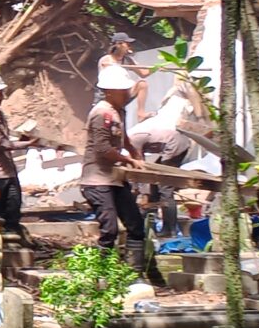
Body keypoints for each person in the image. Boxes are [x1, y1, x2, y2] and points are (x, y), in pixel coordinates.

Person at [80, 65, 147, 273]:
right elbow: (102, 149)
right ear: (109, 91)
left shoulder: (118, 111)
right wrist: (128, 160)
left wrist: (133, 151)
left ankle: (135, 272)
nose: (126, 94)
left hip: (114, 178)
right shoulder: (101, 113)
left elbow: (121, 136)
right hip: (97, 180)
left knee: (135, 224)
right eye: (122, 91)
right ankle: (101, 274)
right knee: (109, 229)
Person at [127, 78, 206, 237]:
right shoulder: (133, 136)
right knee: (155, 185)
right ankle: (157, 227)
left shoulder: (132, 139)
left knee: (165, 186)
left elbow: (140, 168)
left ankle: (170, 229)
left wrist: (139, 191)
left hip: (176, 144)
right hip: (175, 144)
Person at [0, 73, 37, 235]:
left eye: (0, 93)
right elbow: (1, 143)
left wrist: (22, 139)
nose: (0, 98)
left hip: (8, 170)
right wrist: (27, 144)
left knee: (13, 209)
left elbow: (4, 137)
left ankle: (13, 238)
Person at [96, 32, 152, 121]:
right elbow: (108, 78)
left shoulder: (128, 60)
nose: (129, 47)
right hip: (107, 95)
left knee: (142, 84)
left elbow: (143, 73)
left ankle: (140, 114)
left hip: (121, 94)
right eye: (127, 44)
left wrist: (156, 68)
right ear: (119, 44)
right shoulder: (106, 60)